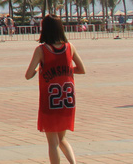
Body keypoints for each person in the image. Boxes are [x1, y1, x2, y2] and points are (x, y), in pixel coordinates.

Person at [24, 15, 86, 164]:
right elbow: (82, 69)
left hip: (50, 103)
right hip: (67, 101)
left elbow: (28, 75)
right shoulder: (70, 47)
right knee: (62, 138)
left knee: (53, 143)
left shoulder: (41, 50)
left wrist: (41, 68)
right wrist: (66, 70)